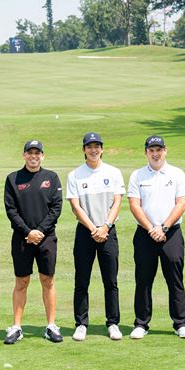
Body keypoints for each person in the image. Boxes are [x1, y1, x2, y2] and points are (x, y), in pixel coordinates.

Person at [128, 135, 185, 340]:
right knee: (143, 279)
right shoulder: (137, 175)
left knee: (175, 279)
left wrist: (163, 227)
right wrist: (151, 228)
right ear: (146, 152)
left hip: (171, 233)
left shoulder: (177, 174)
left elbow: (181, 204)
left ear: (165, 151)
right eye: (151, 150)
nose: (155, 154)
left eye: (159, 149)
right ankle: (141, 323)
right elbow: (134, 205)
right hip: (145, 234)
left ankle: (180, 323)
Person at [66, 132, 125, 341]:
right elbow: (76, 206)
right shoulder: (75, 175)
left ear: (102, 148)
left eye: (97, 146)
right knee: (82, 280)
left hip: (108, 231)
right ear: (84, 149)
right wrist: (94, 229)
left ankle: (113, 323)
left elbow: (117, 202)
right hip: (85, 232)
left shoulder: (114, 172)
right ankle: (81, 323)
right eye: (89, 146)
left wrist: (106, 227)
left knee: (111, 280)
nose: (93, 150)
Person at [3, 140, 63, 344]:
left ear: (42, 156)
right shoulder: (13, 178)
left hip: (46, 239)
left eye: (37, 153)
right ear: (24, 155)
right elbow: (11, 210)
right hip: (22, 238)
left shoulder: (51, 177)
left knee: (48, 280)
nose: (33, 156)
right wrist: (28, 232)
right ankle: (16, 327)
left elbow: (56, 208)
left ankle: (51, 325)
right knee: (22, 281)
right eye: (30, 153)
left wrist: (39, 231)